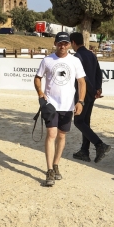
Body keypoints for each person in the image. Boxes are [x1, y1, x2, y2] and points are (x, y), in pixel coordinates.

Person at [34, 32, 86, 187]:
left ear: (69, 44)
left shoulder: (75, 61)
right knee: (51, 134)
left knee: (62, 136)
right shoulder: (47, 60)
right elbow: (38, 78)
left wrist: (80, 101)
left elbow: (82, 82)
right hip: (51, 104)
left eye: (65, 43)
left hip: (68, 105)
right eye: (59, 43)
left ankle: (56, 164)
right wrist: (40, 93)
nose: (62, 46)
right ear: (55, 43)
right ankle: (49, 169)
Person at [70, 32, 110, 163]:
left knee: (78, 121)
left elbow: (83, 78)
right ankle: (84, 151)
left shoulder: (77, 57)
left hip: (83, 93)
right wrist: (98, 88)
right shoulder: (91, 54)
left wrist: (93, 90)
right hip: (92, 93)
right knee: (85, 122)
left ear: (73, 42)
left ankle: (99, 144)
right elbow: (98, 72)